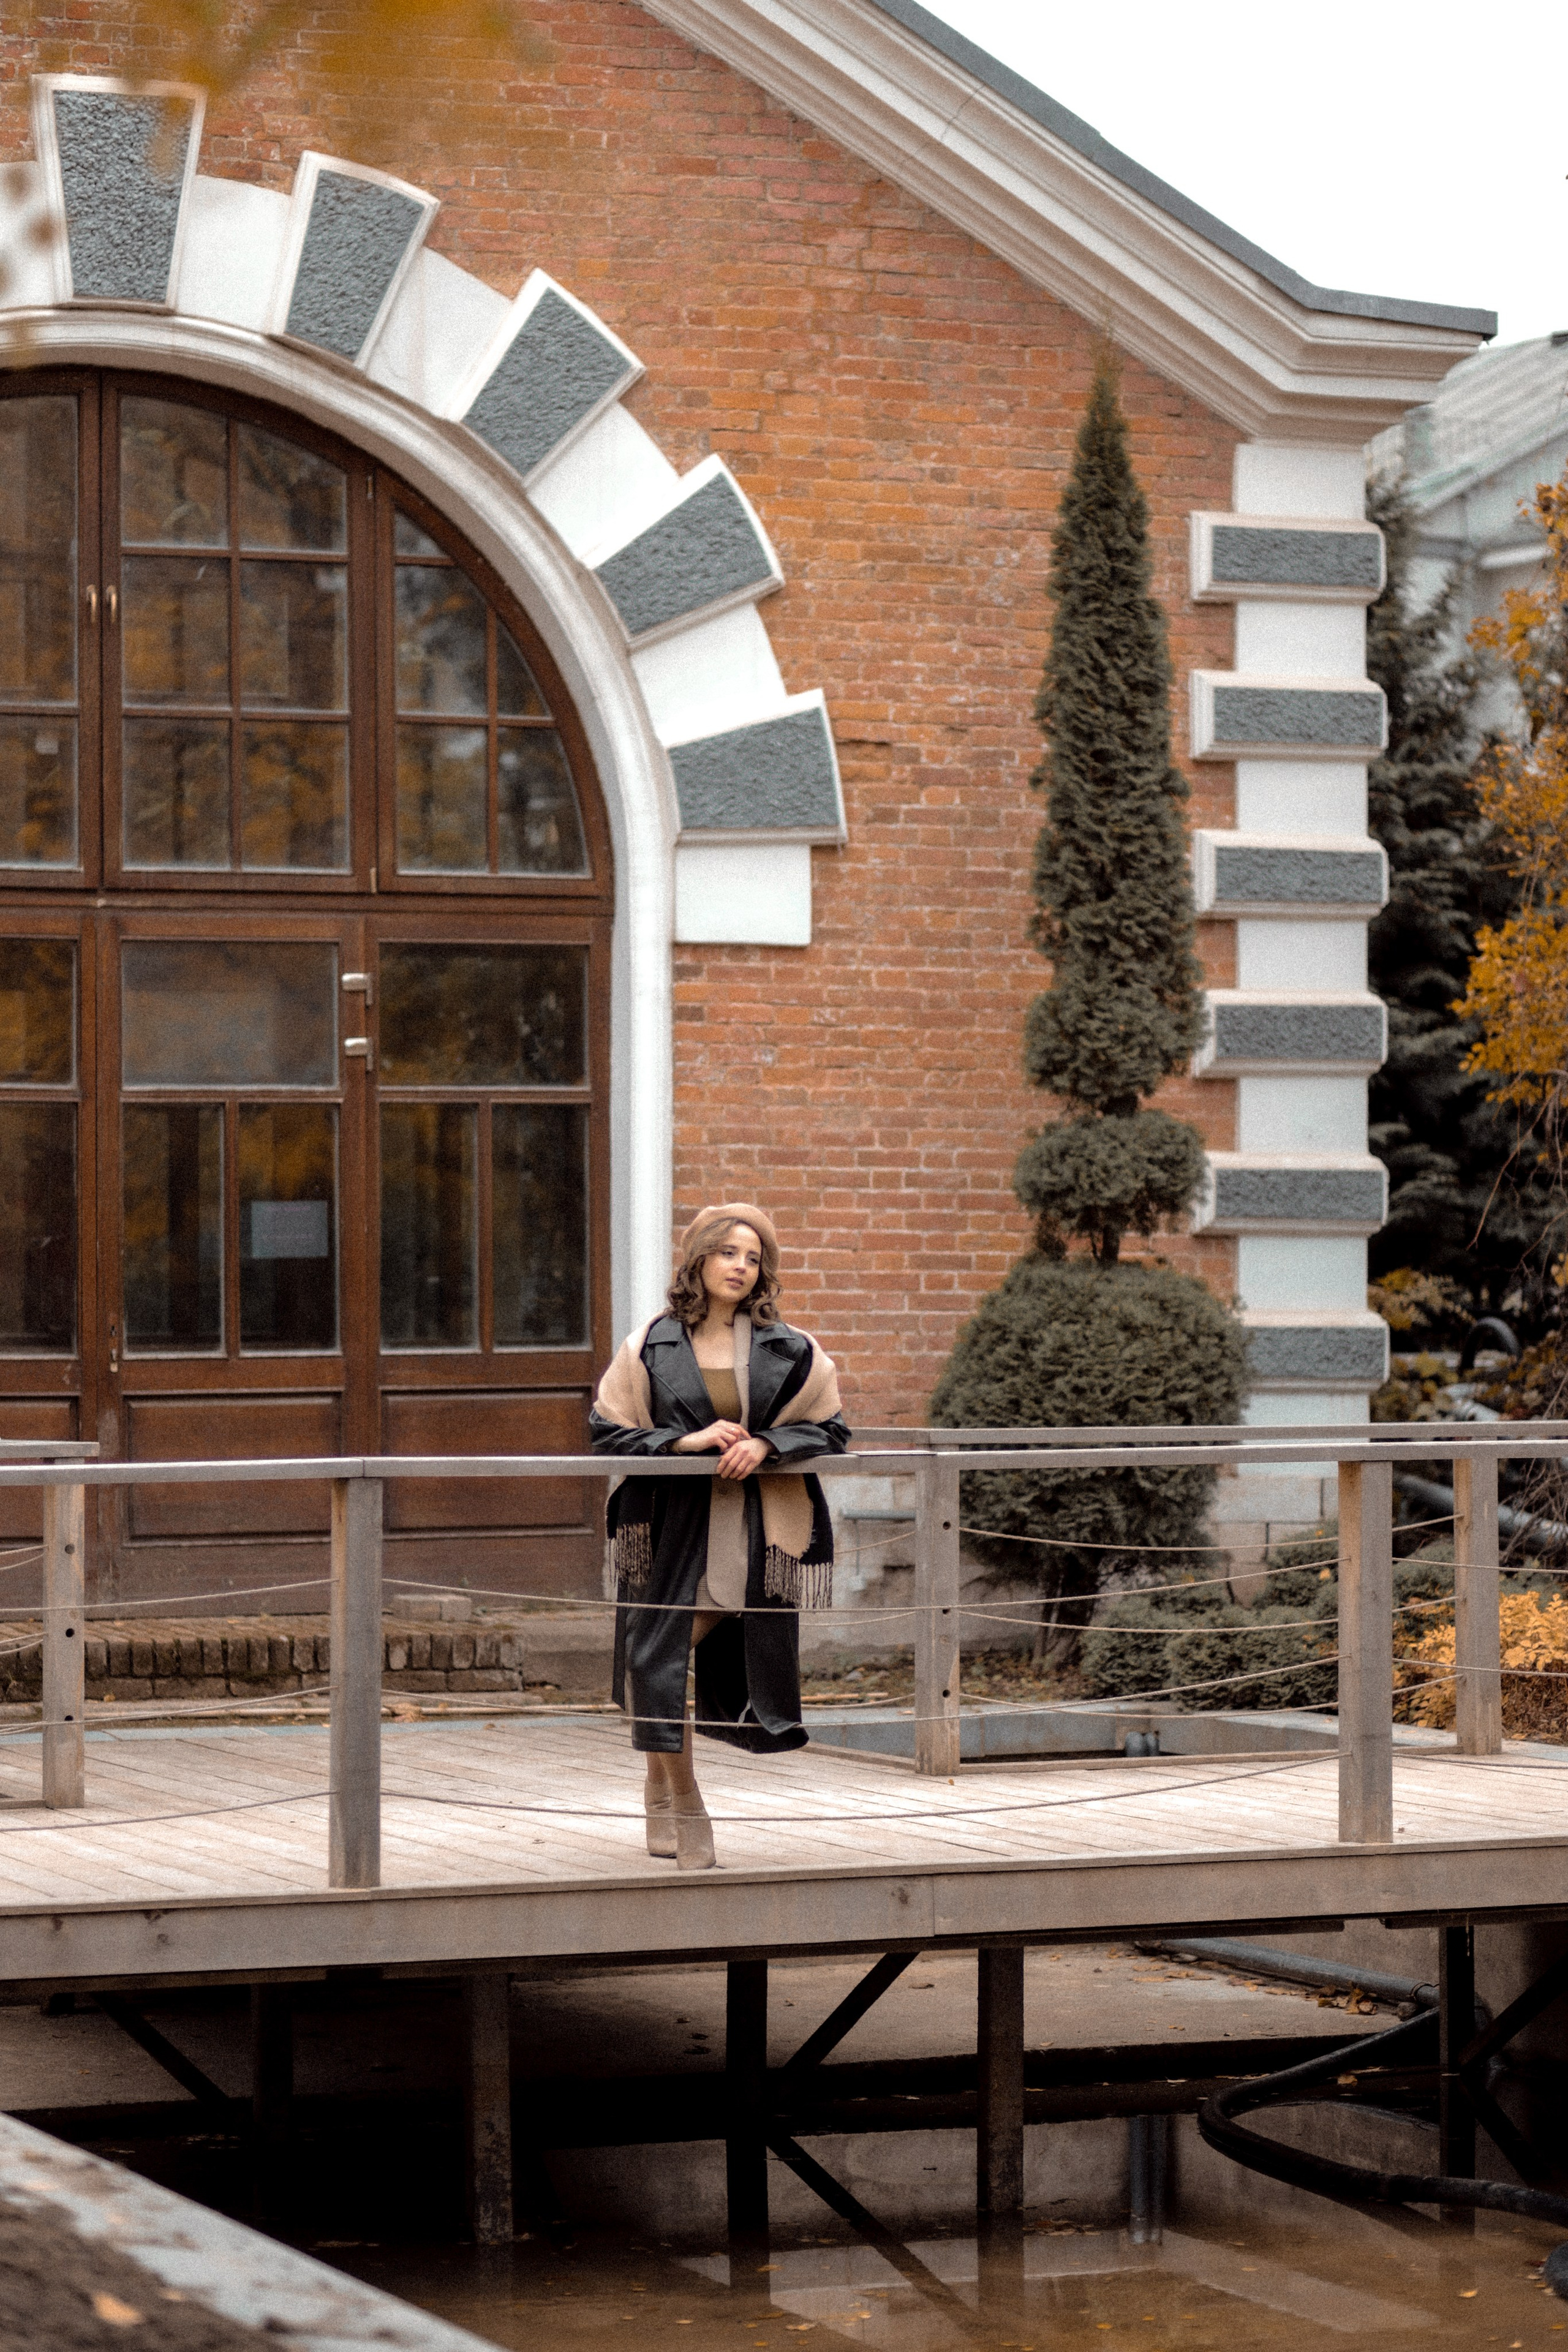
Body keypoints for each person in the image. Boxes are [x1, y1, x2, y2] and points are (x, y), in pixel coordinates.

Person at [590, 1202, 850, 1869]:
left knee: (654, 1661)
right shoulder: (651, 1342)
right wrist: (687, 1441)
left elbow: (830, 1427)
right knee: (654, 1662)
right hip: (670, 1530)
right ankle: (680, 1804)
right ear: (699, 1258)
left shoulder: (789, 1347)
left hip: (751, 1532)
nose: (740, 1266)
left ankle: (668, 1799)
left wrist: (767, 1443)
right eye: (729, 1252)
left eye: (753, 1257)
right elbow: (607, 1429)